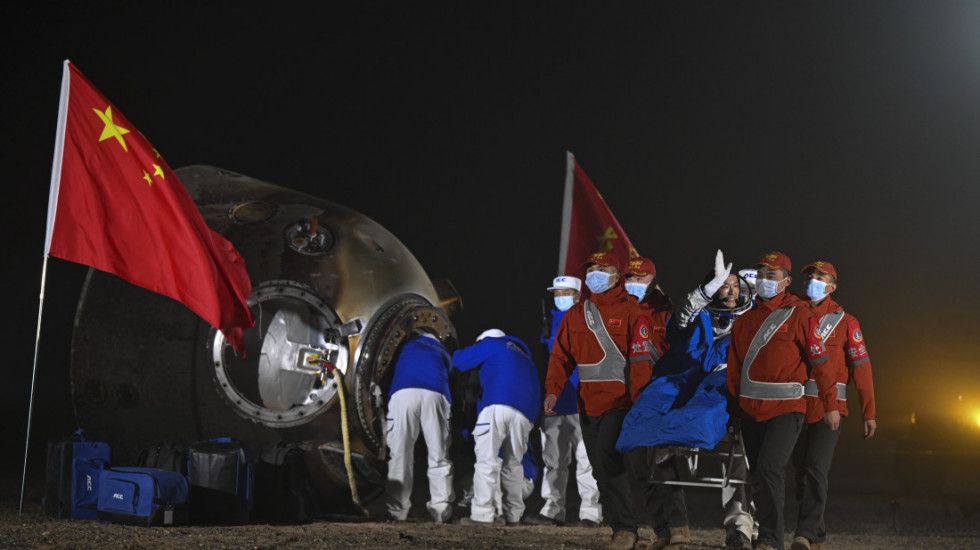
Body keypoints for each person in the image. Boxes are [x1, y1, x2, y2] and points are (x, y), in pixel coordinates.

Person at [618, 250, 755, 549]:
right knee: (656, 400)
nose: (729, 290)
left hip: (730, 385)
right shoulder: (699, 312)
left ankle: (741, 526)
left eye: (734, 285)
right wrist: (705, 292)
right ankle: (667, 436)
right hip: (688, 373)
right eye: (723, 284)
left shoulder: (753, 316)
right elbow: (681, 319)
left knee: (732, 457)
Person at [545, 251, 656, 550]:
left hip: (621, 403)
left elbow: (641, 361)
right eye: (590, 267)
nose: (594, 272)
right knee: (599, 469)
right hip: (587, 403)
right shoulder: (576, 314)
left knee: (609, 460)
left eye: (601, 268)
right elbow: (560, 357)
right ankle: (621, 524)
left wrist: (640, 403)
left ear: (616, 275)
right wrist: (553, 390)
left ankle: (626, 529)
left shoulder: (633, 312)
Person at [727, 252, 836, 550]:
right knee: (760, 477)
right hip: (750, 411)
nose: (763, 281)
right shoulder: (744, 320)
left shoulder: (801, 316)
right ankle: (769, 535)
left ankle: (770, 539)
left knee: (769, 468)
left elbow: (822, 365)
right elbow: (735, 370)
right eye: (760, 275)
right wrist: (733, 410)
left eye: (771, 276)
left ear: (786, 282)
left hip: (787, 410)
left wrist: (830, 405)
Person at [791, 261, 877, 550]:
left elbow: (861, 367)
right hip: (793, 406)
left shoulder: (846, 322)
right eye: (810, 276)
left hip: (831, 409)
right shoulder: (792, 313)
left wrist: (869, 412)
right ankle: (817, 534)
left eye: (820, 277)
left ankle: (803, 534)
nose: (813, 280)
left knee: (816, 468)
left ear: (832, 286)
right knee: (801, 471)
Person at [621, 255, 690, 548]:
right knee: (637, 468)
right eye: (630, 278)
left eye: (640, 278)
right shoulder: (619, 310)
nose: (634, 284)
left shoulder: (668, 313)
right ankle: (660, 530)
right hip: (626, 398)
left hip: (659, 398)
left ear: (653, 281)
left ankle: (679, 529)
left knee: (664, 463)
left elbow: (682, 354)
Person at [526, 276, 603, 528]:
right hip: (555, 404)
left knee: (587, 461)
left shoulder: (591, 320)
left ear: (578, 295)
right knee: (554, 461)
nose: (560, 297)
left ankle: (591, 514)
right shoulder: (549, 323)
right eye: (557, 293)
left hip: (584, 403)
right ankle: (552, 510)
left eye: (565, 292)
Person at [454, 329, 540, 526]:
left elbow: (458, 360)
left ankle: (482, 516)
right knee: (513, 465)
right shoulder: (524, 357)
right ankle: (514, 516)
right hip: (525, 413)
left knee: (487, 461)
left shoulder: (492, 344)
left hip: (497, 403)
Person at [385, 331, 455, 523]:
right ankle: (441, 510)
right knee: (439, 455)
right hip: (436, 393)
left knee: (400, 453)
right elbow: (450, 375)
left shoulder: (405, 346)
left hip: (404, 392)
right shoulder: (442, 351)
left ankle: (396, 512)